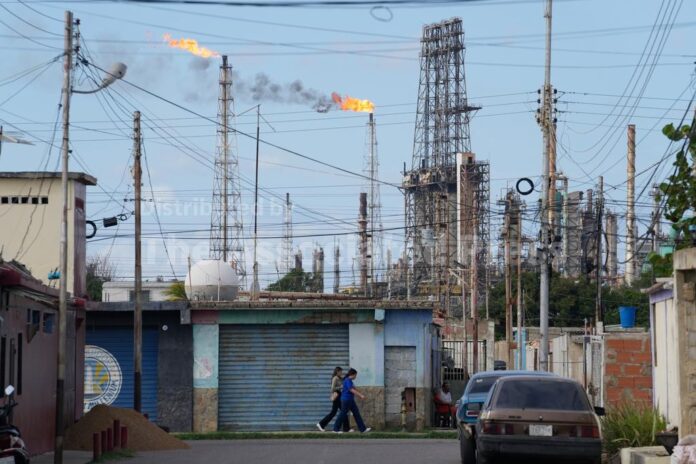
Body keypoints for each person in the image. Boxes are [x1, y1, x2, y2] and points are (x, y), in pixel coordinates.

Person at [333, 368, 371, 433]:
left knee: (356, 413)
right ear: (352, 375)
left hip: (350, 400)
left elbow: (353, 388)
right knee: (342, 414)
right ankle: (335, 429)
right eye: (355, 375)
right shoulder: (347, 380)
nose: (356, 377)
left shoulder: (349, 381)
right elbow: (351, 390)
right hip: (346, 400)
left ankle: (363, 429)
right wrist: (360, 395)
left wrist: (359, 392)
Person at [316, 367, 351, 432]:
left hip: (339, 396)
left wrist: (347, 375)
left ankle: (346, 428)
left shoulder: (339, 378)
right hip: (337, 396)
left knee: (340, 412)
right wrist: (340, 387)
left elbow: (343, 380)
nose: (341, 373)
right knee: (340, 412)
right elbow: (332, 389)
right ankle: (321, 424)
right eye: (340, 371)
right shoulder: (335, 378)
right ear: (337, 372)